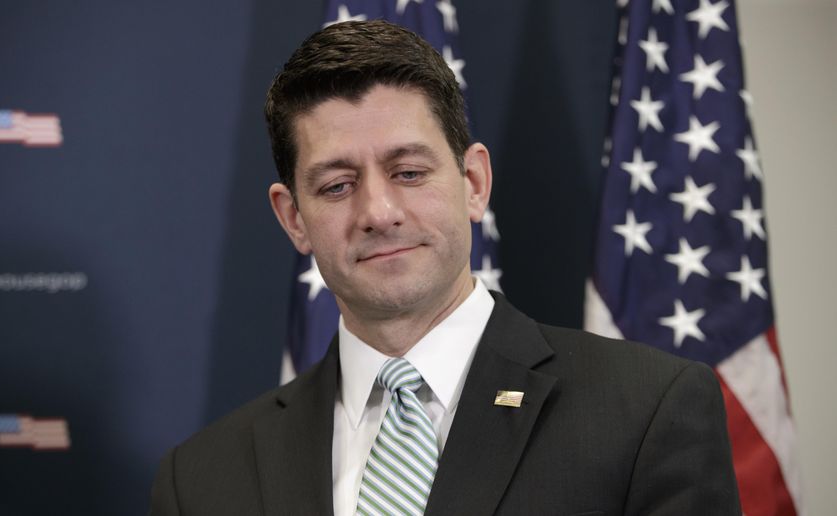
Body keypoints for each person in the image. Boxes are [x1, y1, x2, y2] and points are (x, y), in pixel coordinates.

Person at [149, 20, 740, 515]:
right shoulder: (201, 480)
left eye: (408, 172)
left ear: (474, 182)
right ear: (293, 219)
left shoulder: (646, 411)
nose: (378, 212)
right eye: (336, 186)